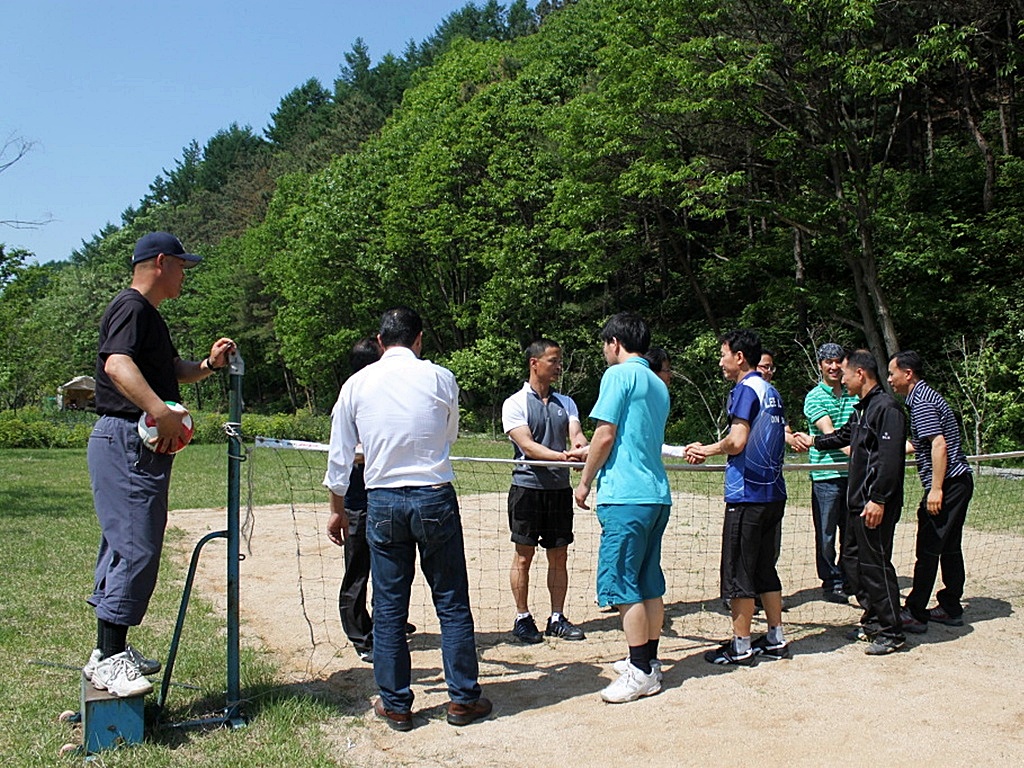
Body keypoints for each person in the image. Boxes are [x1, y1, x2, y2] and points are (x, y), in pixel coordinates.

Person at [324, 307, 491, 731]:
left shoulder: (356, 384)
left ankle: (396, 704)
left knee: (389, 606)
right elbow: (449, 434)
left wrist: (336, 509)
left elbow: (339, 454)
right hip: (433, 494)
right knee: (451, 601)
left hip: (381, 499)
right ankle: (463, 699)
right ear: (418, 339)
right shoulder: (441, 377)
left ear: (381, 342)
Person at [84, 232, 235, 697]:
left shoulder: (147, 314)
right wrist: (159, 411)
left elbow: (173, 371)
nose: (185, 274)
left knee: (125, 545)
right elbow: (116, 365)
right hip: (127, 438)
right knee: (137, 548)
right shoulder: (132, 307)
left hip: (130, 440)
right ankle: (111, 660)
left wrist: (208, 364)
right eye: (182, 266)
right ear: (161, 262)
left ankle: (106, 651)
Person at [574, 313, 671, 704]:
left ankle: (640, 671)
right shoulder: (657, 382)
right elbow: (633, 436)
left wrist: (584, 480)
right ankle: (649, 660)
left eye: (604, 344)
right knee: (649, 582)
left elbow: (606, 434)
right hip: (655, 495)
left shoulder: (617, 375)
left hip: (625, 497)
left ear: (615, 342)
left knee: (623, 583)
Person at [684, 329, 789, 666]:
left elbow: (737, 440)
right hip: (774, 494)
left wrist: (706, 449)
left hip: (747, 495)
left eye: (723, 354)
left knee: (740, 571)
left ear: (740, 357)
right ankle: (775, 638)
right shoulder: (771, 390)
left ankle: (741, 646)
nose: (721, 362)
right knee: (765, 568)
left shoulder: (745, 390)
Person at [796, 349, 907, 655]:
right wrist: (812, 441)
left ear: (860, 374)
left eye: (845, 374)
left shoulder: (887, 409)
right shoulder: (862, 408)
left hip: (875, 503)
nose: (842, 379)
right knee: (853, 562)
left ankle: (891, 631)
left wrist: (878, 499)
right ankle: (872, 621)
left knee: (876, 565)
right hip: (857, 501)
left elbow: (889, 462)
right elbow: (844, 436)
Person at [502, 339, 589, 644]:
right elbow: (527, 446)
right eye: (553, 361)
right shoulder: (514, 403)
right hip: (526, 490)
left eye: (559, 361)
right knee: (523, 557)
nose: (558, 367)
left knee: (559, 556)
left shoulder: (566, 403)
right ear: (534, 363)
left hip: (558, 490)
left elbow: (577, 434)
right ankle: (522, 618)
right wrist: (564, 457)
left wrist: (580, 448)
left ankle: (556, 618)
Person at [335, 338, 417, 662]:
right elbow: (343, 455)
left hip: (387, 496)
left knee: (391, 567)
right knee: (358, 571)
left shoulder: (381, 396)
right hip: (358, 500)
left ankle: (387, 623)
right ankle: (361, 636)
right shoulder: (352, 397)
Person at [888, 350, 973, 632]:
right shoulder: (924, 397)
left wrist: (936, 489)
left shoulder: (922, 402)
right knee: (949, 546)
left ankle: (915, 612)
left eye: (892, 373)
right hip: (958, 482)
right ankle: (950, 606)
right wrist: (881, 451)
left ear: (908, 374)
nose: (890, 379)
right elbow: (920, 443)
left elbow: (939, 444)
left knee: (929, 547)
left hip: (949, 483)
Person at [803, 343, 858, 604]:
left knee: (851, 531)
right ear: (820, 365)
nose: (834, 367)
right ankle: (831, 581)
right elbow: (831, 434)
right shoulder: (814, 397)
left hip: (853, 475)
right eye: (828, 362)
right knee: (826, 534)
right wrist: (865, 454)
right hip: (825, 475)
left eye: (838, 361)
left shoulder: (854, 394)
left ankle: (849, 577)